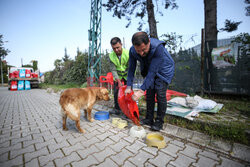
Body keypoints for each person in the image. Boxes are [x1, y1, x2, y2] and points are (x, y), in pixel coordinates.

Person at [125, 32, 175, 131]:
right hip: (149, 69)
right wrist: (128, 85)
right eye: (138, 50)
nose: (141, 53)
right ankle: (149, 119)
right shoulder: (132, 51)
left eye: (144, 50)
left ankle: (159, 122)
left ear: (149, 42)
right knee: (150, 94)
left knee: (160, 94)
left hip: (163, 69)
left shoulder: (158, 47)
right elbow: (131, 68)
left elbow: (153, 72)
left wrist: (140, 90)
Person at [109, 37, 129, 115]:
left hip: (128, 75)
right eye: (114, 48)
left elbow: (131, 68)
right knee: (116, 92)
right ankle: (117, 109)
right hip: (118, 77)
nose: (116, 50)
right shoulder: (111, 56)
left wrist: (129, 81)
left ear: (121, 44)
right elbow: (113, 70)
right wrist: (118, 81)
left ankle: (127, 111)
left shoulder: (128, 53)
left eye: (118, 47)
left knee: (128, 93)